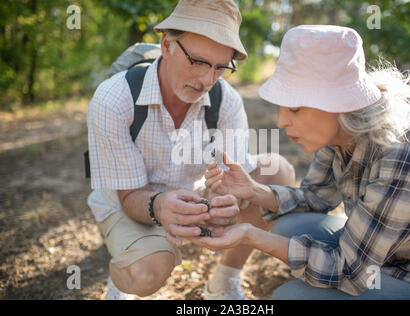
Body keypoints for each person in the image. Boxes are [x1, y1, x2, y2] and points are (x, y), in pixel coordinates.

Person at [189, 25, 410, 299]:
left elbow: (350, 270)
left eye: (295, 109)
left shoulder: (405, 153)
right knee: (289, 228)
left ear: (338, 103)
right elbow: (316, 198)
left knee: (291, 297)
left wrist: (251, 235)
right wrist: (253, 190)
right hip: (388, 259)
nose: (281, 121)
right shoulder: (344, 127)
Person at [86, 0, 295, 300]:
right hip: (131, 200)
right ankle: (124, 272)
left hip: (192, 196)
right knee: (145, 273)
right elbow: (130, 196)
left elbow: (230, 179)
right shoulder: (113, 99)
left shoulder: (226, 101)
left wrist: (228, 200)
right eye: (197, 61)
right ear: (167, 44)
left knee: (278, 171)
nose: (207, 80)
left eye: (221, 67)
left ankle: (224, 283)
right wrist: (160, 206)